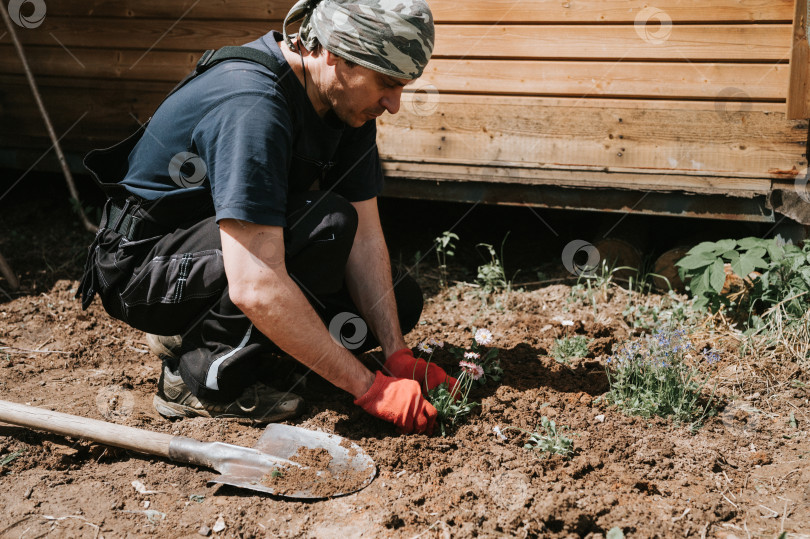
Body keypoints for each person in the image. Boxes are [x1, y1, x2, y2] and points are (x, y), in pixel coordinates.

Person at [76, 0, 457, 434]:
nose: (394, 104)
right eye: (387, 83)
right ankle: (199, 379)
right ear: (334, 54)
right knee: (325, 227)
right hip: (140, 268)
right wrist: (371, 388)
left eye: (403, 87)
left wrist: (396, 354)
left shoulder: (347, 107)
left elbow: (366, 236)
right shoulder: (254, 103)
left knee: (397, 302)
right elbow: (255, 283)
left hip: (218, 252)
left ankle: (202, 331)